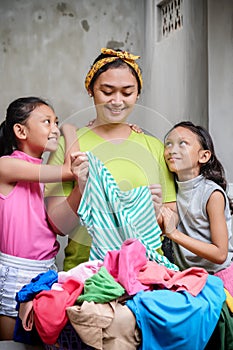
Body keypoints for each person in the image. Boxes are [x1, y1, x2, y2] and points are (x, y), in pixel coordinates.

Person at [45, 47, 177, 271]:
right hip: (85, 274)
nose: (117, 101)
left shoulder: (153, 147)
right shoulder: (68, 147)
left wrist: (155, 215)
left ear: (138, 94)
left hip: (147, 271)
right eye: (107, 91)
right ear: (91, 90)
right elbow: (58, 226)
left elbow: (171, 219)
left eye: (127, 93)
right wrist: (81, 189)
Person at [0, 96, 75, 340]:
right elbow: (71, 170)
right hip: (15, 271)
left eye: (57, 122)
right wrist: (71, 130)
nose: (54, 129)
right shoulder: (7, 165)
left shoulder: (44, 175)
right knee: (11, 343)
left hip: (45, 269)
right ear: (20, 130)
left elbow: (61, 227)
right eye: (47, 122)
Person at [161, 121, 233, 295]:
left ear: (204, 156)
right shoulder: (171, 191)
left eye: (182, 143)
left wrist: (174, 234)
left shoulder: (211, 194)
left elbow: (220, 254)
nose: (172, 149)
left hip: (218, 277)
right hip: (188, 278)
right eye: (168, 144)